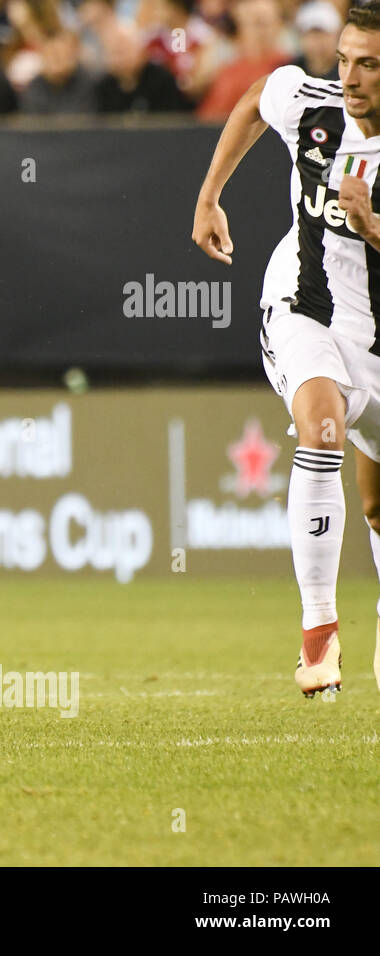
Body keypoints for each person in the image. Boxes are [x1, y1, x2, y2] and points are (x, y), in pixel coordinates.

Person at [192, 0, 380, 699]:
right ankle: (318, 636)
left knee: (376, 505)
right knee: (322, 424)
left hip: (378, 336)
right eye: (346, 60)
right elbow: (253, 98)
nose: (352, 77)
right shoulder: (313, 103)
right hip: (305, 308)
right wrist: (210, 196)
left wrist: (372, 225)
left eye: (370, 64)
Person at [195, 0, 288, 120]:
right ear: (240, 25)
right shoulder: (227, 68)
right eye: (256, 23)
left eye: (267, 23)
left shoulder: (288, 65)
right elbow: (209, 118)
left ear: (279, 25)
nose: (262, 31)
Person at [95, 20, 190, 112]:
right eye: (114, 52)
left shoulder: (162, 80)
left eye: (124, 50)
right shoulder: (103, 87)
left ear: (141, 50)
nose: (120, 59)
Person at [20, 29, 99, 114]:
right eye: (50, 54)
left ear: (73, 55)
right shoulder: (34, 87)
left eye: (60, 55)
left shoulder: (87, 84)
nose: (55, 61)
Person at [293, 1, 342, 81]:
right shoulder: (292, 72)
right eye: (311, 34)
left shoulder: (345, 72)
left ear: (337, 35)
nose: (317, 43)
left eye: (323, 34)